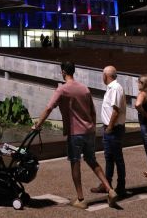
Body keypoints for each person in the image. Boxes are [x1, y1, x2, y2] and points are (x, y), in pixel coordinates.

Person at [33, 61, 117, 209]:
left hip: (75, 133)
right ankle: (109, 189)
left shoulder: (62, 90)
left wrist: (38, 124)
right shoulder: (84, 89)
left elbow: (48, 108)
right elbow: (93, 111)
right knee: (92, 161)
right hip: (89, 131)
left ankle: (81, 199)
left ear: (63, 72)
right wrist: (91, 128)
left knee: (75, 162)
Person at [91, 66, 127, 196]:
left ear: (106, 75)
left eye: (102, 74)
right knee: (109, 158)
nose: (102, 77)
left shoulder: (116, 88)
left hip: (114, 129)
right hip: (111, 128)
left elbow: (116, 110)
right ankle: (107, 184)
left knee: (117, 158)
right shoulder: (111, 88)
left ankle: (121, 186)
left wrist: (110, 127)